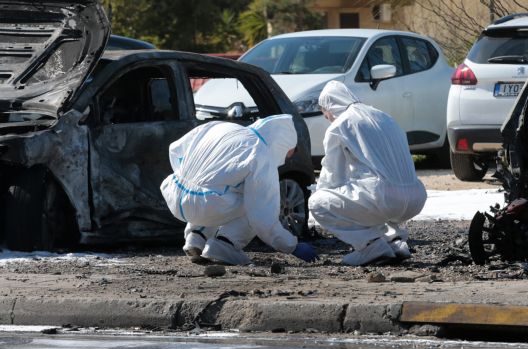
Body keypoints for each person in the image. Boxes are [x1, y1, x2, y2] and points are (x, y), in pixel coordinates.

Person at [160, 114, 318, 265]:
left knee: (216, 188)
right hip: (206, 205)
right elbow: (263, 218)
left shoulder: (222, 127)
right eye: (290, 152)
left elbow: (175, 149)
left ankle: (196, 238)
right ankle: (225, 245)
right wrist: (291, 245)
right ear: (282, 143)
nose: (288, 157)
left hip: (175, 193)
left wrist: (187, 179)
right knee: (254, 202)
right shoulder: (260, 153)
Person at [309, 81, 427, 266]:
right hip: (416, 197)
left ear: (329, 107)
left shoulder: (340, 124)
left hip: (383, 198)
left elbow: (333, 175)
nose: (328, 119)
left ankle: (370, 247)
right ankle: (394, 242)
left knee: (318, 203)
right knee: (363, 196)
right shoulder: (384, 117)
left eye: (326, 114)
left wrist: (319, 192)